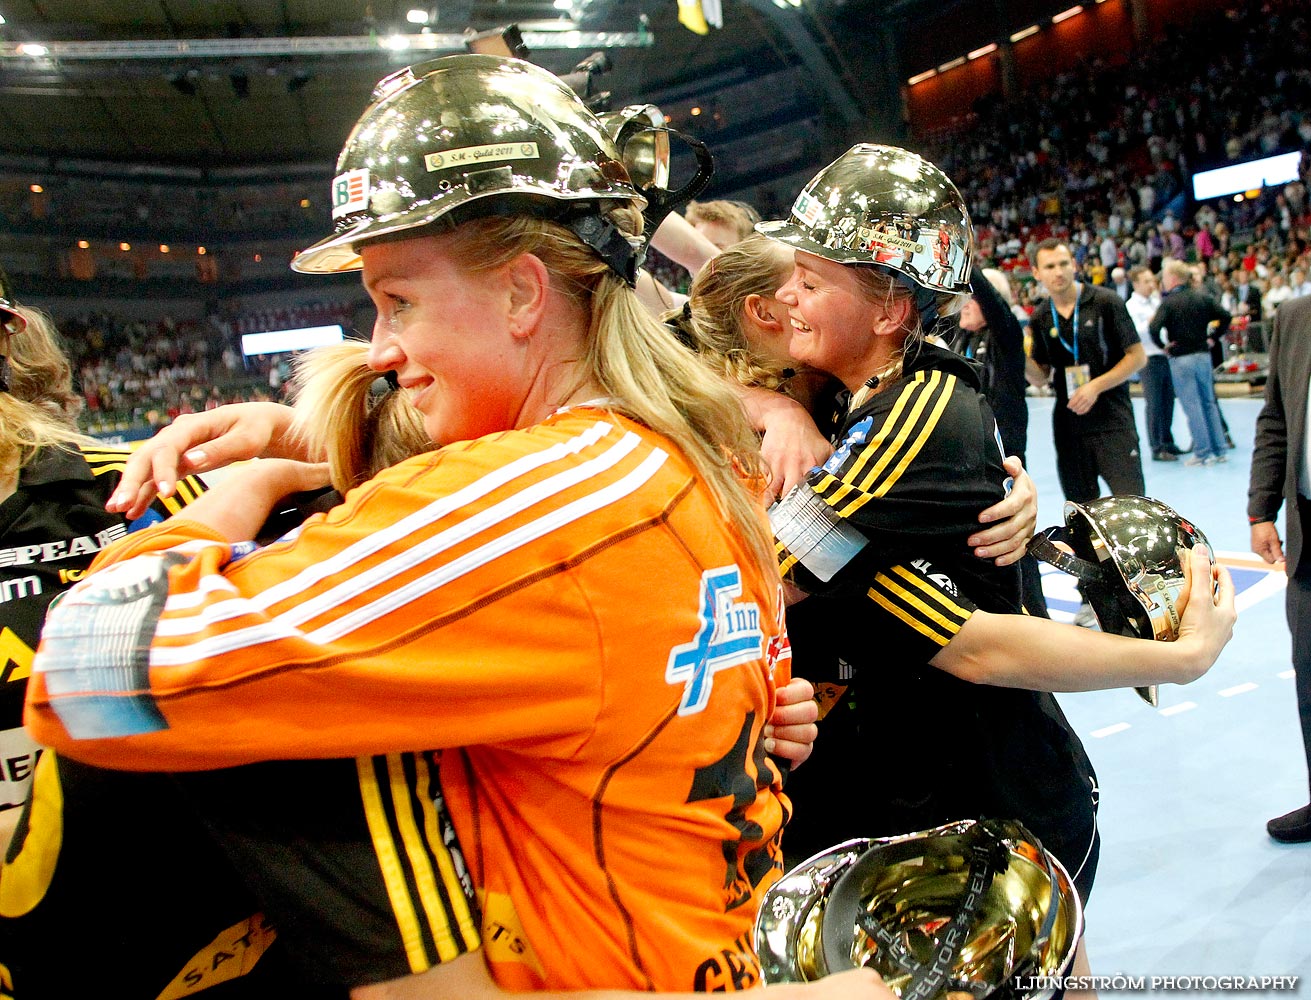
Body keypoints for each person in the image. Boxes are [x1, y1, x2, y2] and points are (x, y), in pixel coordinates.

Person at [25, 54, 804, 996]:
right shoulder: (691, 458)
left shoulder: (544, 500)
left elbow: (81, 675)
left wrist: (228, 507)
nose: (382, 347)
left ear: (523, 293)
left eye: (398, 300)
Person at [746, 144, 1234, 984]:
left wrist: (1176, 660)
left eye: (812, 281)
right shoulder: (839, 397)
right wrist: (763, 402)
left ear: (891, 310)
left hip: (976, 796)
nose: (785, 297)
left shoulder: (919, 414)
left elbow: (758, 576)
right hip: (902, 785)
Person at [1026, 237, 1146, 626]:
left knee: (1131, 508)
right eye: (1050, 266)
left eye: (1063, 263)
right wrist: (1020, 354)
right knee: (1082, 516)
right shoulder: (1041, 316)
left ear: (1073, 264)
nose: (1058, 272)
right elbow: (1042, 376)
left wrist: (1095, 386)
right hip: (1070, 428)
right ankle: (1091, 597)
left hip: (1112, 422)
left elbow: (1137, 356)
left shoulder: (1106, 302)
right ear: (1037, 273)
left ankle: (1148, 589)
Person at [1249, 292, 1311, 844]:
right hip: (1306, 533)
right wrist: (1261, 508)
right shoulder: (1295, 316)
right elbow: (1276, 421)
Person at [1149, 259, 1231, 466]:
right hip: (1203, 355)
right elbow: (1226, 316)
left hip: (1181, 357)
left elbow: (1154, 328)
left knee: (1192, 404)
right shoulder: (1202, 297)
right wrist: (1213, 337)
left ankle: (1202, 452)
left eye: (1166, 277)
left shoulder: (1168, 303)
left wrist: (1163, 345)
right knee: (1209, 402)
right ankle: (1220, 449)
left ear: (1174, 278)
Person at [1124, 265, 1184, 462]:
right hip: (1147, 358)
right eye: (1147, 281)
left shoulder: (1156, 301)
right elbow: (1134, 333)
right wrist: (1152, 322)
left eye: (1152, 280)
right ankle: (1157, 446)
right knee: (1155, 402)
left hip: (1164, 354)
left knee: (1168, 400)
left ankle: (1167, 440)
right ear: (1136, 284)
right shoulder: (1131, 306)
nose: (1152, 285)